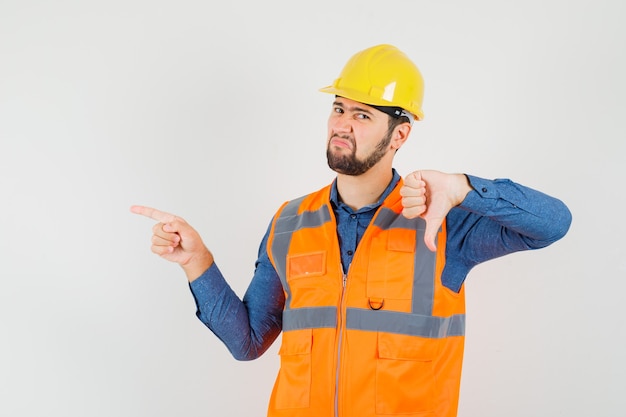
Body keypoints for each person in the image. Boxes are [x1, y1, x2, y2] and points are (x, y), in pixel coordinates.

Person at [131, 44, 572, 417]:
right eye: (339, 108)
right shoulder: (289, 222)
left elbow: (553, 223)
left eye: (362, 115)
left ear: (399, 135)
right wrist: (197, 262)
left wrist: (462, 187)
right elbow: (248, 341)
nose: (342, 124)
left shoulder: (443, 222)